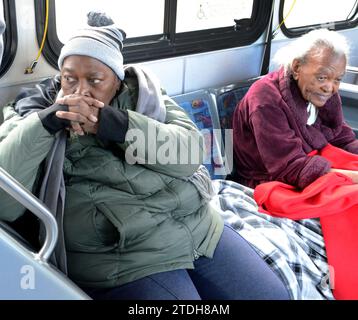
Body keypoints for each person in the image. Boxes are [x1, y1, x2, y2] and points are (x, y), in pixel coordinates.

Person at [0, 12, 289, 300]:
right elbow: (6, 204)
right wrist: (48, 123)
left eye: (95, 80)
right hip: (124, 256)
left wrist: (116, 125)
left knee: (273, 296)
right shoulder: (34, 111)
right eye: (69, 79)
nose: (80, 91)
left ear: (117, 80)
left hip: (195, 227)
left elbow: (189, 155)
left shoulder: (145, 97)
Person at [232, 29, 358, 190]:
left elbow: (341, 136)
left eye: (337, 80)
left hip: (312, 162)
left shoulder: (322, 91)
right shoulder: (265, 99)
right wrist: (353, 178)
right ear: (297, 67)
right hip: (270, 178)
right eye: (322, 77)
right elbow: (289, 168)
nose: (330, 88)